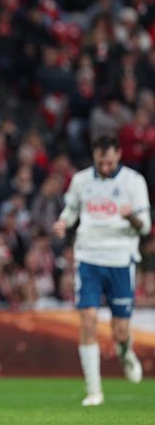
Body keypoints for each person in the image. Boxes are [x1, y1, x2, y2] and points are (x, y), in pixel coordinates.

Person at [52, 134, 149, 407]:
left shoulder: (134, 182)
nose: (105, 168)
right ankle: (94, 390)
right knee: (88, 320)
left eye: (109, 162)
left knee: (119, 332)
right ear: (95, 155)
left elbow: (144, 226)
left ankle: (125, 352)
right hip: (89, 257)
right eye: (100, 162)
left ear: (118, 155)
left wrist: (130, 216)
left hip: (120, 259)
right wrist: (62, 224)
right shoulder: (82, 180)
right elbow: (70, 211)